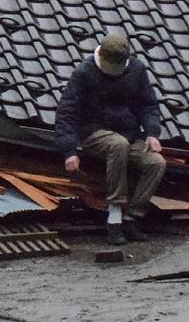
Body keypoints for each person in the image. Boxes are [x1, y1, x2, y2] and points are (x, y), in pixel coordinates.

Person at [55, 32, 166, 245]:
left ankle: (133, 216)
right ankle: (114, 216)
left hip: (129, 133)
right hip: (94, 133)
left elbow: (148, 105)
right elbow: (66, 113)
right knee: (118, 144)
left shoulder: (137, 69)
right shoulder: (84, 73)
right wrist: (69, 150)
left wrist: (152, 133)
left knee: (156, 163)